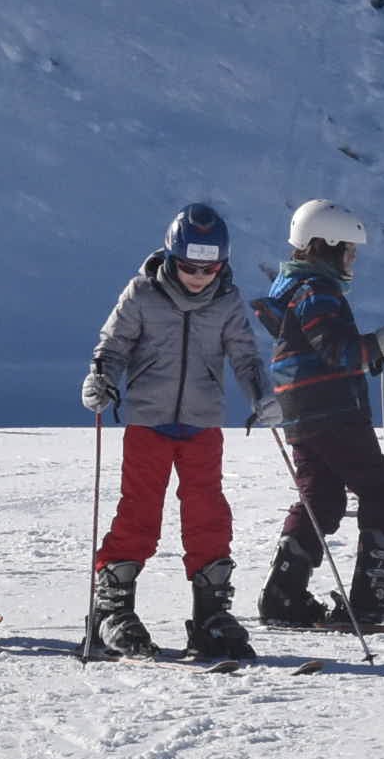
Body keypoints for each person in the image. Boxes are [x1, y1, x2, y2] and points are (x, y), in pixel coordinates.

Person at [81, 204, 271, 661]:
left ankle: (210, 614)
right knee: (139, 511)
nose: (199, 276)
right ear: (171, 256)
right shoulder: (142, 293)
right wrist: (101, 378)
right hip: (149, 421)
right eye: (189, 266)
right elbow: (114, 345)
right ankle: (112, 608)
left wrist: (261, 395)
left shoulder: (227, 301)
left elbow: (245, 356)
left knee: (208, 512)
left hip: (202, 424)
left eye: (210, 268)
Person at [251, 199, 384, 633]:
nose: (354, 259)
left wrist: (372, 355)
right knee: (380, 490)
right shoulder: (317, 292)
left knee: (321, 497)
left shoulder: (295, 288)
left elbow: (320, 351)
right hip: (333, 410)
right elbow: (337, 349)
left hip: (300, 412)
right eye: (350, 250)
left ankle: (283, 594)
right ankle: (375, 596)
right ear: (327, 246)